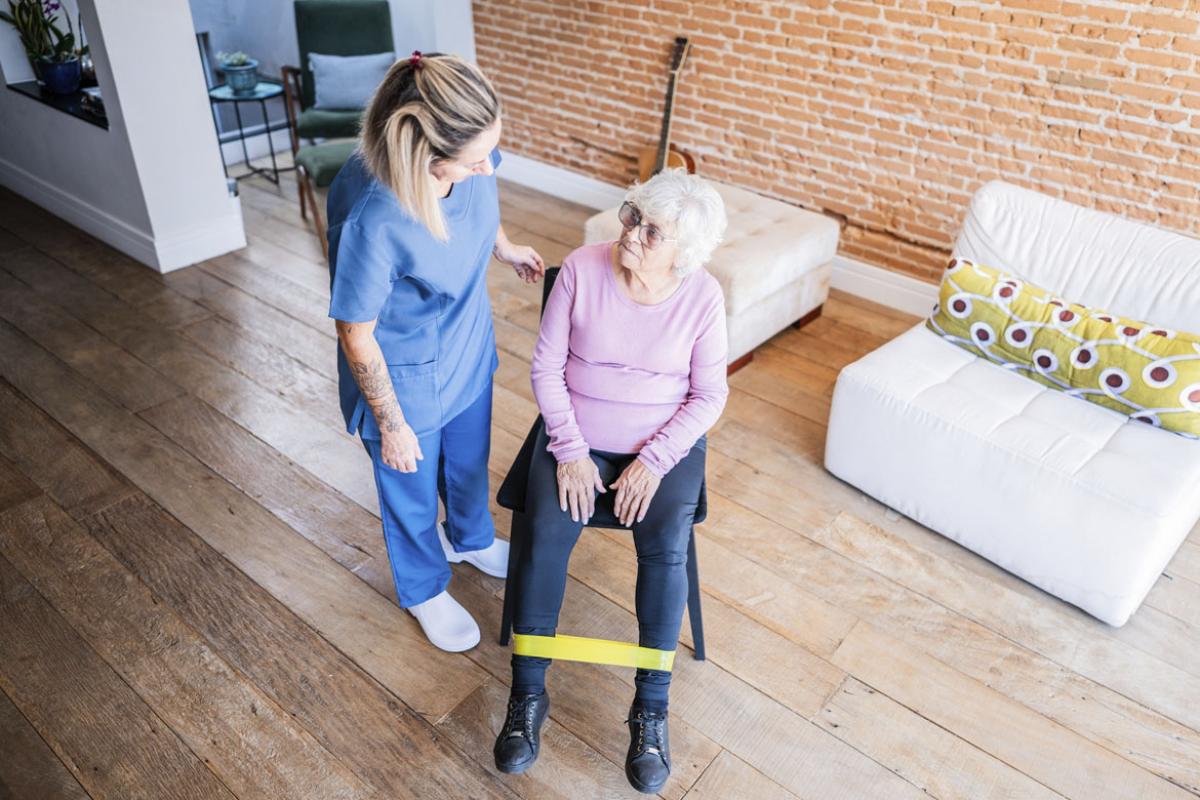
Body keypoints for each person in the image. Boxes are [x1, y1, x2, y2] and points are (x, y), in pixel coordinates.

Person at [493, 169, 729, 794]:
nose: (632, 235)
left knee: (665, 548)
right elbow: (545, 366)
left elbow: (708, 396)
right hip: (574, 435)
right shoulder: (581, 267)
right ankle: (527, 695)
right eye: (632, 217)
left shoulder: (703, 297)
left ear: (685, 253)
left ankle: (650, 709)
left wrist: (653, 461)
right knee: (544, 533)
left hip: (661, 447)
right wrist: (568, 451)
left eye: (653, 232)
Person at [326, 51, 544, 652]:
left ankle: (471, 537)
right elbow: (356, 332)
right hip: (402, 371)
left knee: (469, 457)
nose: (486, 165)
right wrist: (392, 426)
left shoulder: (470, 145)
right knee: (412, 490)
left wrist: (503, 246)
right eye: (474, 160)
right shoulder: (375, 217)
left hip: (466, 337)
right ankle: (424, 587)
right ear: (426, 153)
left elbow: (481, 193)